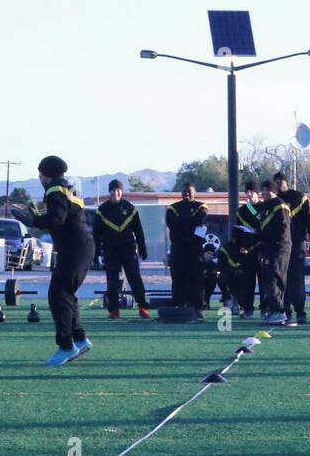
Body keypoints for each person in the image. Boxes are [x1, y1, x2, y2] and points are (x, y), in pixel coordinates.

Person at [22, 156, 95, 366]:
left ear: (46, 174)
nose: (39, 177)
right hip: (82, 245)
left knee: (58, 295)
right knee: (66, 294)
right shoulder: (69, 188)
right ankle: (80, 339)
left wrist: (33, 220)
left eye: (40, 173)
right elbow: (63, 216)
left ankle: (66, 345)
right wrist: (39, 216)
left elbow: (56, 219)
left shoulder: (54, 189)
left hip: (74, 247)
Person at [93, 179, 151, 319]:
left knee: (135, 278)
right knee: (112, 281)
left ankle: (142, 306)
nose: (115, 193)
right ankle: (114, 310)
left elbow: (139, 231)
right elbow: (96, 234)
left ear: (122, 191)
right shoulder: (102, 210)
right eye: (113, 190)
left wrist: (142, 249)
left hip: (128, 249)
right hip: (110, 250)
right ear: (109, 192)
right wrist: (95, 254)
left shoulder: (130, 208)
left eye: (118, 190)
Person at [275, 172, 310, 326]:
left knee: (297, 280)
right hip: (281, 247)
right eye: (276, 182)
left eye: (280, 181)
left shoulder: (300, 197)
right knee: (282, 279)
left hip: (297, 244)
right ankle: (285, 311)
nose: (279, 184)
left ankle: (300, 312)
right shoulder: (275, 201)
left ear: (287, 182)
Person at [165, 182, 208, 316]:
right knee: (178, 278)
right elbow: (171, 224)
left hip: (194, 248)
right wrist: (190, 226)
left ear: (195, 193)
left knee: (197, 279)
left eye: (189, 191)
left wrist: (182, 224)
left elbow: (199, 221)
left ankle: (196, 308)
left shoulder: (201, 206)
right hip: (178, 249)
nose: (186, 194)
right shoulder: (173, 208)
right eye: (184, 191)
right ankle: (178, 305)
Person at [256, 178, 292, 325]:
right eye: (262, 190)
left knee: (274, 278)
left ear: (273, 191)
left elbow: (282, 230)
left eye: (267, 190)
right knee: (267, 279)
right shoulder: (265, 206)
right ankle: (274, 309)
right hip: (268, 247)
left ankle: (279, 311)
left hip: (279, 247)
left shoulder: (280, 206)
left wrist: (265, 237)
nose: (263, 193)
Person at [232, 182, 262, 317]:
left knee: (265, 282)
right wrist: (239, 248)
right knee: (247, 282)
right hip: (246, 252)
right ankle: (248, 309)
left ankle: (265, 309)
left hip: (261, 250)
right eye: (247, 191)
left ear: (258, 193)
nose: (249, 194)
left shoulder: (264, 208)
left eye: (251, 191)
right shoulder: (242, 210)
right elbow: (237, 231)